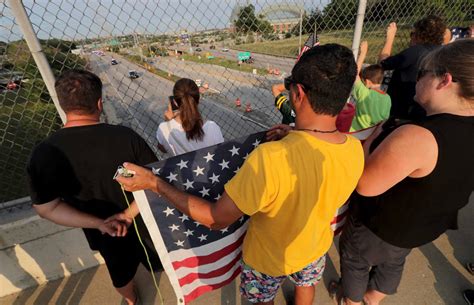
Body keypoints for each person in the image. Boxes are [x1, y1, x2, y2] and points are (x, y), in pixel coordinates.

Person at [117, 44, 364, 305]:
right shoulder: (354, 149)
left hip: (268, 259)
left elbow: (215, 219)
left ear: (299, 93)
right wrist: (296, 133)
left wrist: (154, 183)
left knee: (262, 298)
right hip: (315, 247)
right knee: (306, 284)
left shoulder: (271, 158)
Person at [338, 39, 474, 305]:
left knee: (355, 260)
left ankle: (353, 300)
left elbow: (365, 184)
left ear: (444, 80)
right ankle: (373, 298)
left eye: (422, 73)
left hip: (381, 226)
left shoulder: (419, 137)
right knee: (394, 263)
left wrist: (375, 136)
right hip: (422, 226)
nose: (416, 79)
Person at [26, 69, 162, 305]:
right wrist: (127, 215)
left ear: (62, 105)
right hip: (142, 219)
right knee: (155, 255)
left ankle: (131, 300)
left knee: (119, 273)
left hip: (102, 231)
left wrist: (100, 223)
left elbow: (47, 208)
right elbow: (155, 181)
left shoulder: (44, 153)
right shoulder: (125, 137)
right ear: (99, 102)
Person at [379, 15, 446, 120]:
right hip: (427, 109)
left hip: (402, 110)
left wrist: (390, 38)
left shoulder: (414, 52)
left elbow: (383, 63)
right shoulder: (444, 53)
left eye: (413, 34)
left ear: (420, 35)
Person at [156, 78, 224, 156]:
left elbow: (163, 148)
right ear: (198, 100)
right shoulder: (212, 127)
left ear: (174, 102)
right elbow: (220, 151)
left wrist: (168, 123)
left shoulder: (164, 128)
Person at [350, 41, 391, 132]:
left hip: (356, 132)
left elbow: (355, 74)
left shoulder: (365, 93)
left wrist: (363, 53)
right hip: (373, 133)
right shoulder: (387, 98)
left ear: (368, 82)